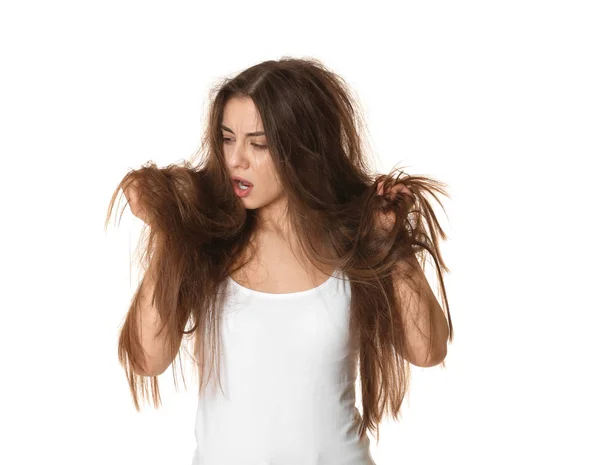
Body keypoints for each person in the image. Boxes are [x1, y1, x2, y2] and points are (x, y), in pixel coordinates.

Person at [105, 57, 454, 465]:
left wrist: (389, 243)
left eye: (258, 143)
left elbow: (428, 350)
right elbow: (148, 359)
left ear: (305, 149)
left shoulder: (354, 241)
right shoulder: (208, 240)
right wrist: (168, 227)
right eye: (227, 138)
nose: (236, 159)